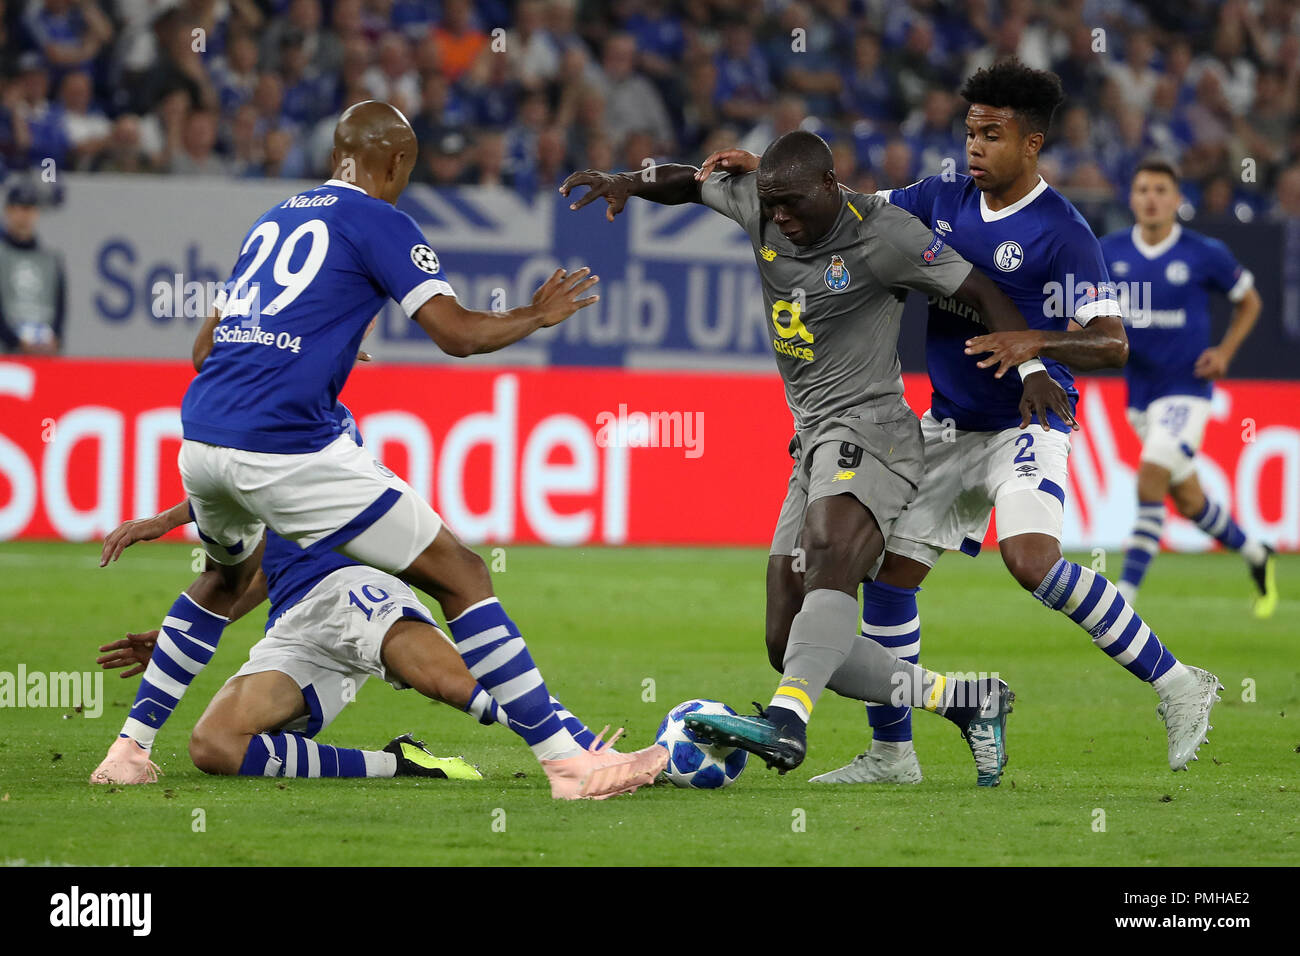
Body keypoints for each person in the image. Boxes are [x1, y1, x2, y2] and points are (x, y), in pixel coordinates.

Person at [89, 100, 666, 800]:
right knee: (461, 573)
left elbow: (204, 347)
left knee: (223, 579)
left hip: (203, 437)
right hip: (288, 447)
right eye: (406, 172)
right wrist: (532, 316)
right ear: (393, 164)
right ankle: (569, 763)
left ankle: (127, 751)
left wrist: (310, 342)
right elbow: (455, 334)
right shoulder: (379, 220)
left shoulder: (275, 218)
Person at [561, 128, 1076, 786]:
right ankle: (965, 700)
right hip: (811, 440)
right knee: (788, 639)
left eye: (793, 206)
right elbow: (691, 182)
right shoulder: (768, 202)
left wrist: (1032, 365)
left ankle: (788, 725)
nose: (780, 218)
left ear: (830, 187)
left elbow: (982, 291)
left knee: (831, 553)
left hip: (874, 430)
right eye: (771, 205)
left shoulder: (884, 234)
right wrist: (628, 183)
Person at [814, 61, 1221, 784]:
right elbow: (853, 206)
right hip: (949, 428)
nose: (974, 146)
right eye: (970, 131)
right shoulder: (937, 198)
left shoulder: (1062, 232)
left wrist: (1035, 341)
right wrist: (777, 177)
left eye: (991, 134)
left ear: (1030, 144)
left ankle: (1179, 682)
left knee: (1031, 561)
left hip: (1029, 426)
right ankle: (891, 754)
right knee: (886, 581)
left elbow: (1111, 342)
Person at [94, 404, 622, 783]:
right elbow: (253, 574)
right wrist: (175, 640)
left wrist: (164, 518)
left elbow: (239, 476)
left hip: (351, 587)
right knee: (214, 747)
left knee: (446, 680)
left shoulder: (322, 422)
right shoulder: (263, 428)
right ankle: (402, 763)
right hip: (295, 621)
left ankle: (584, 749)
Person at [1101, 158, 1276, 616]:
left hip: (1188, 391)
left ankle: (1125, 597)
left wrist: (1225, 353)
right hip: (1139, 396)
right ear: (1132, 198)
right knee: (1191, 501)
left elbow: (1250, 302)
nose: (1152, 198)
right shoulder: (1109, 252)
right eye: (1143, 190)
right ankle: (1257, 552)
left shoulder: (1204, 252)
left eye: (1162, 190)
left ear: (1178, 200)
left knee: (1151, 474)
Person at [0, 183, 65, 354]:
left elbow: (60, 306)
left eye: (29, 208)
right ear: (8, 211)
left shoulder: (50, 259)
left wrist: (55, 337)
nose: (24, 215)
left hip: (44, 352)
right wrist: (14, 341)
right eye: (18, 208)